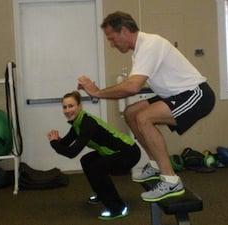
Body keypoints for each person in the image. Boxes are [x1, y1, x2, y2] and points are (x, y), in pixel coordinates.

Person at [77, 11, 215, 202]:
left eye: (112, 38)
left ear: (124, 31)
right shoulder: (140, 50)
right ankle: (156, 165)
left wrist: (97, 93)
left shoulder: (151, 44)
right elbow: (133, 84)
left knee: (144, 118)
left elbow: (132, 87)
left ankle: (171, 180)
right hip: (175, 94)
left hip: (197, 94)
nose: (112, 44)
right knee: (131, 112)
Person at [47, 90, 140, 220]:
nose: (67, 110)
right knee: (87, 160)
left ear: (79, 106)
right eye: (65, 107)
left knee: (97, 167)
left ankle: (118, 208)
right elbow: (65, 144)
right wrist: (56, 140)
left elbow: (71, 153)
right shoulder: (77, 124)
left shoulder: (87, 124)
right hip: (115, 152)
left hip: (129, 153)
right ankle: (101, 194)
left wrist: (53, 143)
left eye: (71, 106)